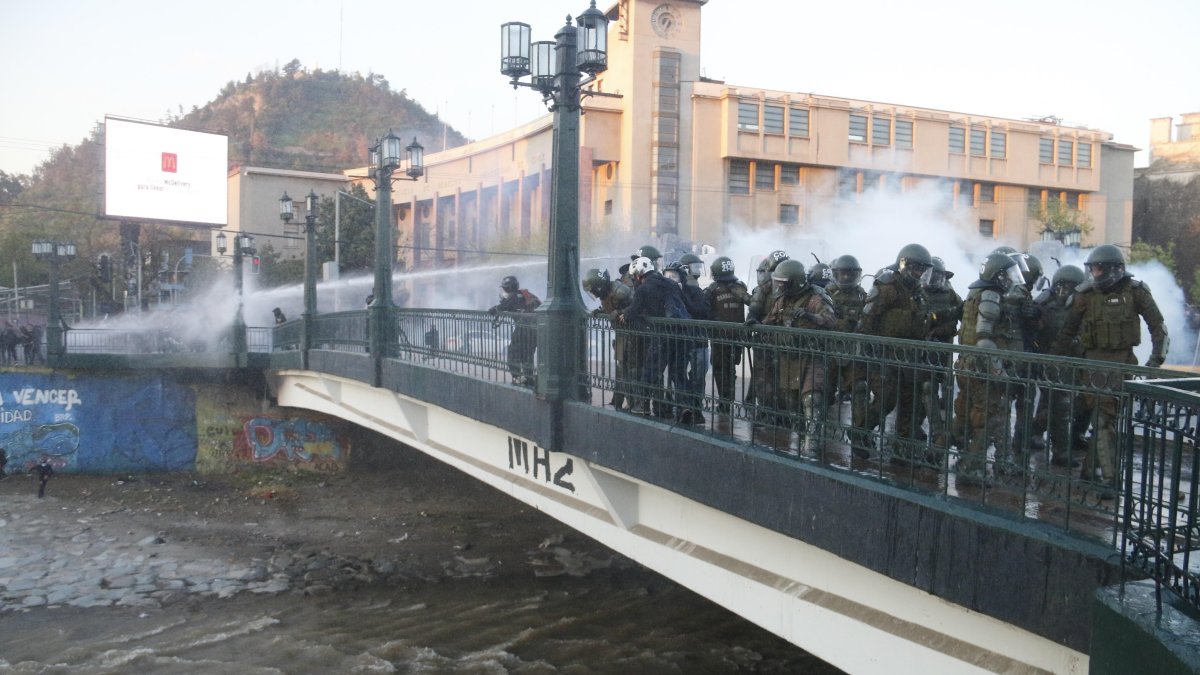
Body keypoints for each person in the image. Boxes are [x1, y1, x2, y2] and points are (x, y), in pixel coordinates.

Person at [1051, 244, 1168, 488]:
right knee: (1096, 420)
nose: (1093, 274)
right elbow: (1066, 332)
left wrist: (1154, 363)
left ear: (1113, 270)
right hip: (1090, 366)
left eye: (1097, 269)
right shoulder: (1085, 295)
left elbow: (1159, 329)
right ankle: (1091, 473)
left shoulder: (1136, 292)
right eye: (1091, 269)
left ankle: (1106, 477)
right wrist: (1052, 361)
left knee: (1104, 422)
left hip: (1119, 366)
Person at [852, 243, 933, 463]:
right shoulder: (887, 286)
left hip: (910, 357)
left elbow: (923, 323)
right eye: (916, 268)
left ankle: (902, 449)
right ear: (904, 264)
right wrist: (866, 353)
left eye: (922, 270)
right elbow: (867, 319)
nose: (919, 273)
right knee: (886, 400)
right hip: (884, 356)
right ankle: (860, 434)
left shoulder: (918, 292)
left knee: (911, 402)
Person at [954, 251, 1029, 487]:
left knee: (995, 415)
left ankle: (1001, 461)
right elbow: (984, 337)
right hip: (982, 368)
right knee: (987, 419)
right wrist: (998, 372)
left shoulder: (982, 292)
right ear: (996, 275)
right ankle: (971, 467)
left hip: (975, 366)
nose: (1011, 278)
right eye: (1007, 274)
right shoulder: (990, 294)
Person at [759, 259, 836, 455]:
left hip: (813, 355)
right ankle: (801, 438)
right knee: (792, 401)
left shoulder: (816, 297)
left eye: (784, 283)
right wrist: (756, 324)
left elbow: (829, 319)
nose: (780, 286)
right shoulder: (783, 300)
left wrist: (811, 317)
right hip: (790, 356)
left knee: (812, 398)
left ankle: (812, 444)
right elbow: (772, 319)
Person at [1030, 264, 1091, 467]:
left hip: (1073, 362)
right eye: (1064, 288)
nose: (1067, 293)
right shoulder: (1044, 305)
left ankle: (1036, 431)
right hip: (1051, 362)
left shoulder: (1082, 305)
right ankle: (1060, 452)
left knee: (1062, 405)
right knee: (1061, 407)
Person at [619, 256, 687, 417]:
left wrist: (624, 315)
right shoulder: (670, 283)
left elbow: (635, 309)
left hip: (661, 334)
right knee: (678, 374)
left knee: (651, 371)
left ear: (638, 275)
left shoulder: (643, 288)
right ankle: (686, 406)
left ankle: (642, 405)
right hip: (681, 333)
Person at [921, 257, 962, 452]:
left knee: (947, 386)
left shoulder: (950, 294)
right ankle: (937, 431)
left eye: (938, 275)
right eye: (931, 274)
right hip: (925, 347)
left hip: (944, 346)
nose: (934, 279)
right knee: (928, 387)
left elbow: (964, 313)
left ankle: (947, 430)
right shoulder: (918, 293)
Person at [703, 256, 752, 414]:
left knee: (720, 369)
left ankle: (725, 401)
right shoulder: (740, 286)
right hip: (735, 336)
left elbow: (703, 308)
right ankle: (727, 399)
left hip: (720, 337)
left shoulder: (712, 289)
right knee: (729, 368)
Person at [665, 261, 710, 424]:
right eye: (667, 276)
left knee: (698, 377)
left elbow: (703, 311)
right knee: (678, 375)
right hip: (679, 342)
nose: (671, 279)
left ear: (682, 277)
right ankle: (682, 407)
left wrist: (683, 297)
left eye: (674, 276)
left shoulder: (694, 291)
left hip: (698, 341)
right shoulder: (666, 294)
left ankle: (696, 410)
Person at [583, 268, 634, 409]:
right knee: (621, 369)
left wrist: (620, 312)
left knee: (629, 370)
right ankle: (617, 402)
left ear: (600, 286)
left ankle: (634, 404)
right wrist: (601, 311)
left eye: (593, 290)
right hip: (623, 333)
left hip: (632, 335)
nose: (593, 293)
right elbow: (612, 306)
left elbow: (638, 307)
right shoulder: (608, 292)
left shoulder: (620, 291)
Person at [488, 275, 541, 387]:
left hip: (522, 328)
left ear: (507, 288)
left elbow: (500, 308)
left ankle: (518, 378)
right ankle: (529, 380)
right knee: (527, 356)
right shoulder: (525, 294)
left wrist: (493, 309)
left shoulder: (512, 297)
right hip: (535, 330)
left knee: (512, 354)